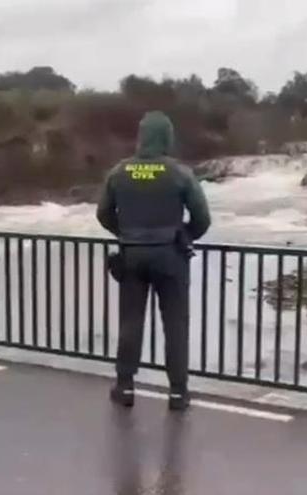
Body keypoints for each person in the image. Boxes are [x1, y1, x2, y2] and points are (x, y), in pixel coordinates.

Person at [96, 110, 211, 411]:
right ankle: (178, 392)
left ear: (141, 136)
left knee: (130, 322)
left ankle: (124, 386)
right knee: (175, 324)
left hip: (132, 255)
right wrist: (184, 235)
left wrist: (125, 233)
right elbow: (202, 218)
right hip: (171, 256)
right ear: (166, 137)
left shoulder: (119, 172)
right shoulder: (180, 173)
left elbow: (103, 213)